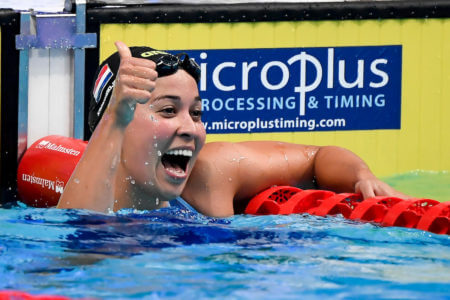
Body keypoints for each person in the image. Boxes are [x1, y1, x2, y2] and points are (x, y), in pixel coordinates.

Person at [57, 41, 408, 217]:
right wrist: (115, 117)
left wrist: (361, 175)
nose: (189, 128)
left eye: (196, 113)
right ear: (112, 121)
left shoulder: (211, 174)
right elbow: (83, 252)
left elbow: (317, 157)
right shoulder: (84, 203)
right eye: (168, 110)